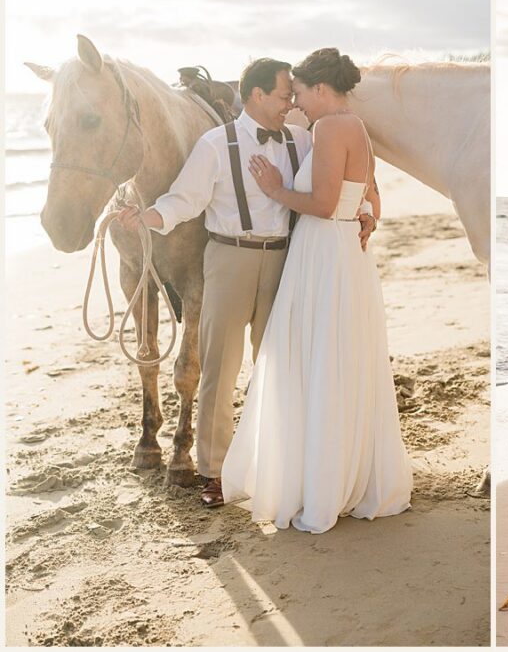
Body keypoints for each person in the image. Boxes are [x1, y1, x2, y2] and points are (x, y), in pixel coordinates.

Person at [118, 58, 368, 508]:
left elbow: (342, 178)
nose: (289, 104)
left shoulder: (301, 139)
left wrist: (365, 209)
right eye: (282, 96)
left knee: (280, 369)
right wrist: (145, 219)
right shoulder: (215, 144)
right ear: (255, 95)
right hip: (229, 258)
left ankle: (279, 467)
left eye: (293, 96)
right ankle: (215, 472)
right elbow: (183, 201)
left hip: (288, 261)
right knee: (220, 369)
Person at [220, 47, 412, 533]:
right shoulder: (358, 128)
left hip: (325, 252)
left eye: (300, 92)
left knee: (318, 361)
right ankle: (340, 474)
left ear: (321, 88)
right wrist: (366, 216)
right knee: (340, 363)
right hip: (345, 254)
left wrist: (274, 189)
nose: (298, 103)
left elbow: (324, 203)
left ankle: (320, 483)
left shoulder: (329, 128)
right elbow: (372, 196)